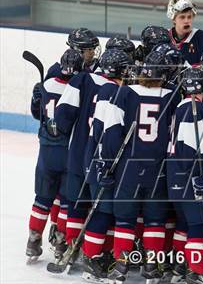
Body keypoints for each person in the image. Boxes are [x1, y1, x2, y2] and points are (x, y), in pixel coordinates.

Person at [99, 49, 181, 283]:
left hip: (129, 168)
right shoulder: (173, 95)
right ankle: (151, 267)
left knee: (125, 218)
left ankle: (121, 266)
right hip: (159, 169)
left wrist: (108, 163)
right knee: (155, 219)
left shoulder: (124, 92)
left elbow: (112, 132)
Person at [52, 41, 117, 268]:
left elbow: (61, 118)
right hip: (104, 160)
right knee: (101, 209)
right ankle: (94, 254)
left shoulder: (82, 79)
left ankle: (68, 246)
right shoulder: (123, 90)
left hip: (79, 154)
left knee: (76, 203)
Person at [26, 49, 83, 263]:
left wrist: (36, 96)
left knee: (42, 199)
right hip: (68, 153)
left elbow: (36, 114)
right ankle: (60, 244)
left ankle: (33, 241)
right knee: (67, 201)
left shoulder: (46, 84)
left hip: (46, 152)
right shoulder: (78, 88)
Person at [80, 48, 133, 282]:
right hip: (102, 162)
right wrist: (106, 164)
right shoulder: (112, 91)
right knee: (102, 213)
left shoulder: (108, 89)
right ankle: (91, 258)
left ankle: (97, 256)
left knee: (106, 212)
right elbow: (108, 134)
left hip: (96, 159)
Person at [167, 67, 203, 284]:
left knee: (185, 223)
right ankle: (196, 271)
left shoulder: (180, 107)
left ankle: (180, 264)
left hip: (176, 174)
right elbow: (191, 148)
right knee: (198, 223)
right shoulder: (196, 109)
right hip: (189, 176)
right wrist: (202, 173)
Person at [167, 0, 203, 66]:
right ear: (173, 19)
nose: (186, 21)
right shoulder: (162, 38)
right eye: (182, 17)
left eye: (189, 17)